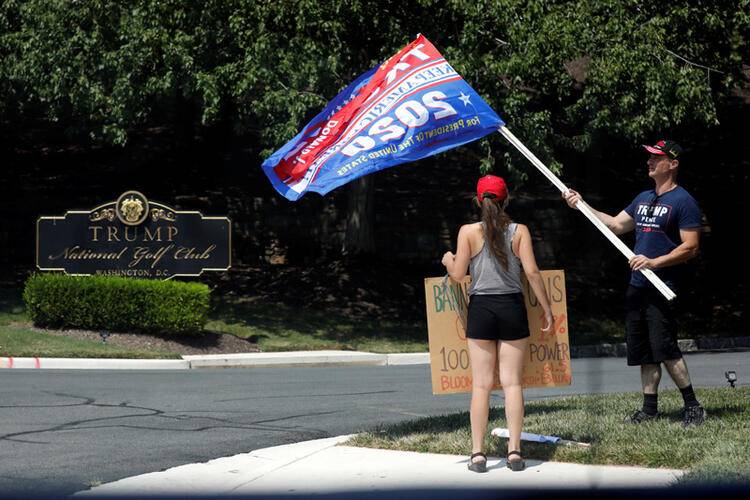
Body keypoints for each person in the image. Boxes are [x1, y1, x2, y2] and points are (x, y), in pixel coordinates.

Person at [562, 139, 705, 427]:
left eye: (656, 158)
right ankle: (649, 408)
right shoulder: (642, 198)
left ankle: (693, 406)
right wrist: (582, 206)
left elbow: (691, 247)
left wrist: (654, 262)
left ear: (673, 164)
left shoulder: (684, 201)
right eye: (649, 157)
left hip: (662, 286)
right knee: (643, 351)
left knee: (665, 348)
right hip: (637, 286)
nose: (649, 162)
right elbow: (615, 224)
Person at [442, 174, 553, 473]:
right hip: (512, 306)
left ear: (478, 201)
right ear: (507, 200)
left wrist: (448, 259)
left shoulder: (467, 232)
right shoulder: (519, 231)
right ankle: (514, 452)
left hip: (481, 307)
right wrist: (547, 309)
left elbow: (457, 275)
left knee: (480, 385)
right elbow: (531, 272)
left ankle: (478, 454)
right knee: (512, 383)